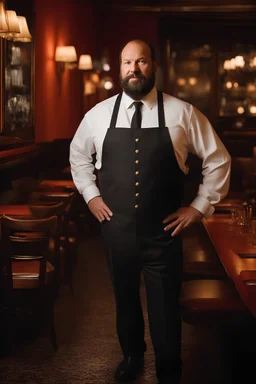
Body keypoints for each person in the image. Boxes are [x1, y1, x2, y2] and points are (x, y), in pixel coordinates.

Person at [69, 39, 231, 384]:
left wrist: (199, 207)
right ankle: (131, 354)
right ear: (120, 67)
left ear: (154, 66)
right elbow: (78, 157)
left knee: (165, 305)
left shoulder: (182, 113)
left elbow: (219, 159)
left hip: (165, 233)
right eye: (127, 62)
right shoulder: (96, 116)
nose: (134, 69)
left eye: (141, 61)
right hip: (117, 230)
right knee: (124, 299)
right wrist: (91, 195)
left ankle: (170, 367)